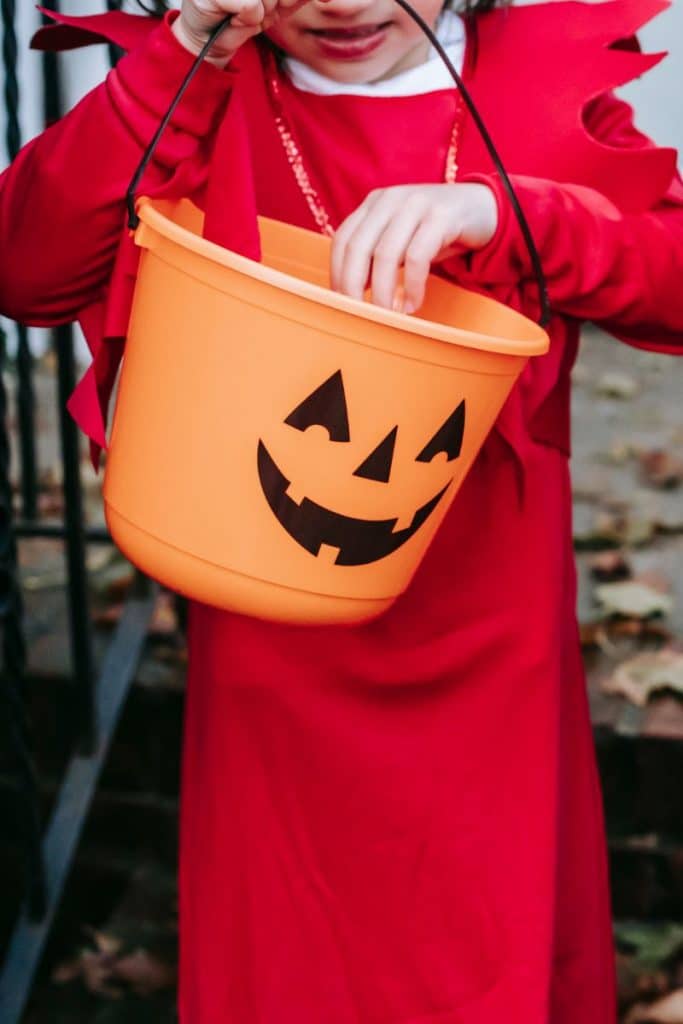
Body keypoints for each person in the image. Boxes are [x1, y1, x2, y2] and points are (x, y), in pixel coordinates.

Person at [1, 0, 682, 1019]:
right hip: (271, 657)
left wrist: (516, 215)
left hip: (485, 648)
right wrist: (183, 58)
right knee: (289, 960)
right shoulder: (201, 87)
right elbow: (29, 267)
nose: (341, 2)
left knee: (481, 952)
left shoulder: (532, 92)